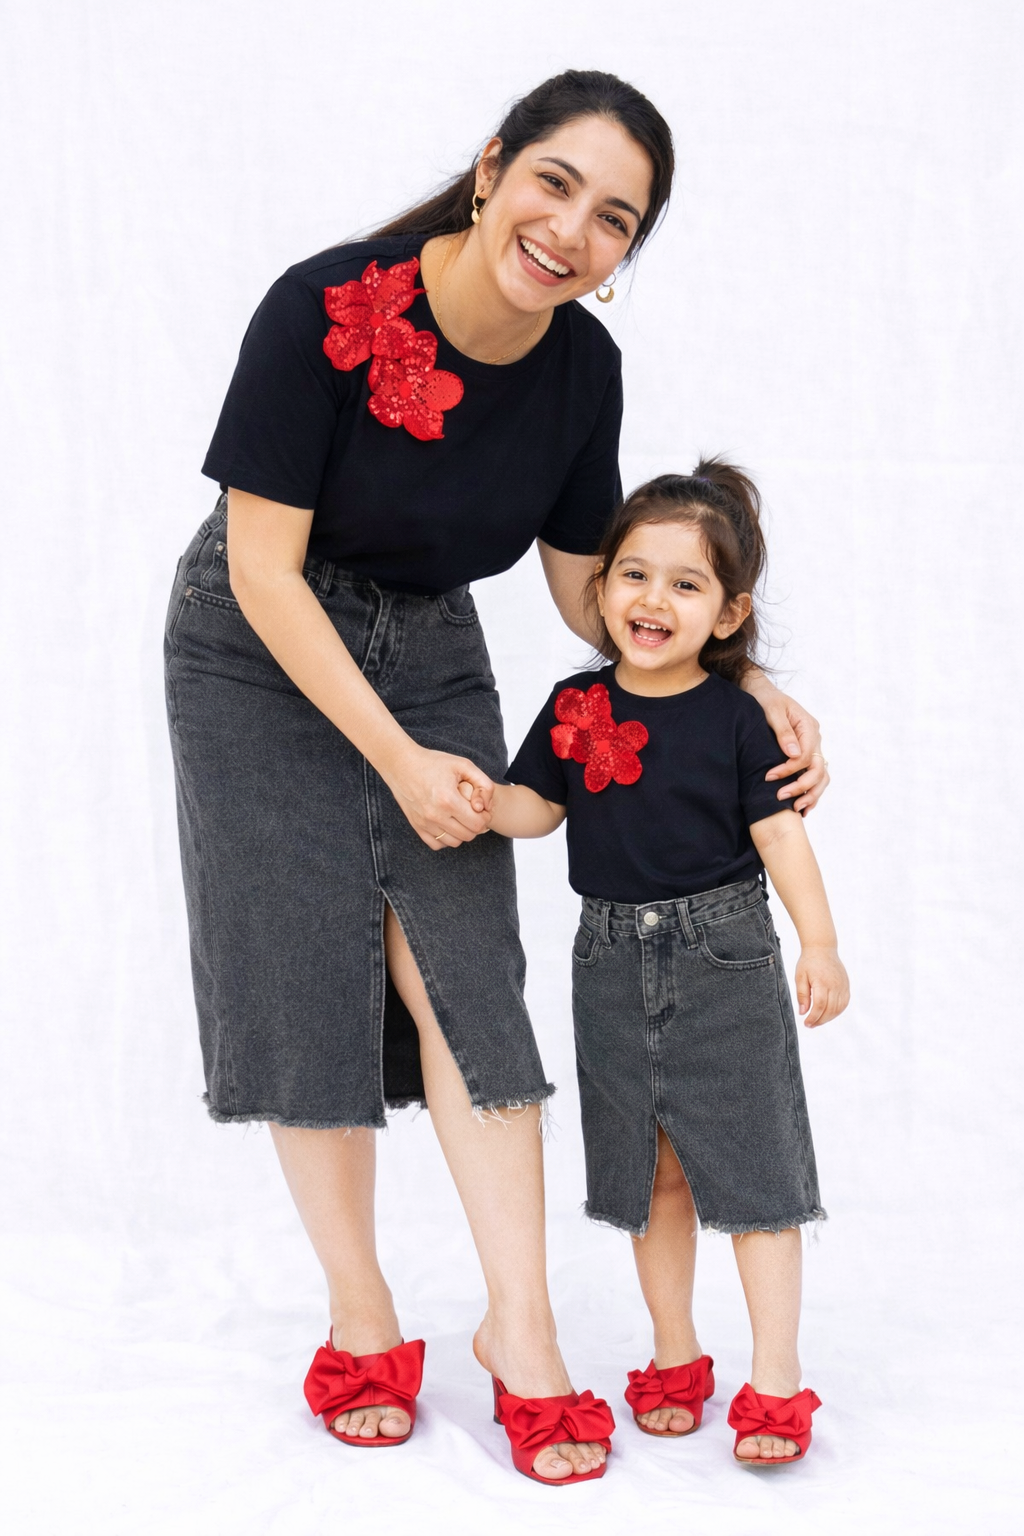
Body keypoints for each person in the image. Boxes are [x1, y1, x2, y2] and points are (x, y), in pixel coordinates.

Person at [164, 68, 829, 1485]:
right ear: (491, 169)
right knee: (300, 972)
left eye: (615, 219)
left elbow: (596, 594)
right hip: (256, 650)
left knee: (467, 979)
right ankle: (360, 1315)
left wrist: (741, 678)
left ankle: (519, 1327)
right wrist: (394, 759)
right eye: (555, 184)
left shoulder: (583, 370)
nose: (572, 231)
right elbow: (265, 570)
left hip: (429, 648)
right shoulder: (320, 307)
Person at [482, 459, 849, 1467]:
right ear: (599, 587)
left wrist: (818, 941)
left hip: (722, 955)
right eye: (634, 575)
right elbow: (537, 808)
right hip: (606, 960)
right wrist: (476, 799)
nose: (653, 600)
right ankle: (674, 1354)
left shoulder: (737, 718)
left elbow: (779, 837)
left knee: (757, 1177)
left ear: (727, 615)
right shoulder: (573, 704)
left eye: (685, 584)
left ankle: (775, 1376)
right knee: (655, 1181)